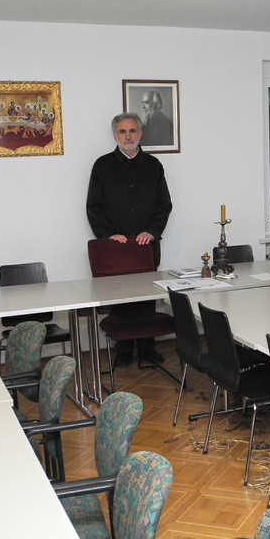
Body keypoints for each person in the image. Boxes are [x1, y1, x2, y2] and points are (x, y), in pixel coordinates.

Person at [86, 112, 173, 367]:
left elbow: (164, 205)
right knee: (120, 302)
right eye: (122, 131)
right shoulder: (102, 165)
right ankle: (123, 350)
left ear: (140, 133)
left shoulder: (153, 165)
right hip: (117, 247)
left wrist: (152, 231)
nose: (128, 136)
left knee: (146, 299)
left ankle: (147, 348)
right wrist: (108, 235)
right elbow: (93, 206)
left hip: (146, 245)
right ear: (115, 135)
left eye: (132, 131)